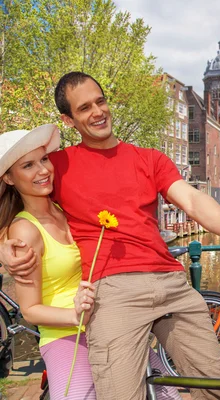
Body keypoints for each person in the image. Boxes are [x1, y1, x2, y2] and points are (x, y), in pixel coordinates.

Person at [0, 71, 220, 400]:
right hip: (113, 291)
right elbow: (19, 195)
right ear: (69, 120)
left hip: (171, 283)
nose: (98, 112)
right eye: (85, 108)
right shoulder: (56, 165)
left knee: (215, 386)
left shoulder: (150, 158)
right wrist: (4, 241)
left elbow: (190, 199)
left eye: (100, 101)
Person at [0, 125, 181, 399]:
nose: (43, 170)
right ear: (10, 178)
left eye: (44, 159)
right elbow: (30, 310)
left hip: (112, 326)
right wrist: (76, 316)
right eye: (28, 165)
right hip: (66, 338)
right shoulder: (25, 231)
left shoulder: (66, 209)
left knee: (165, 395)